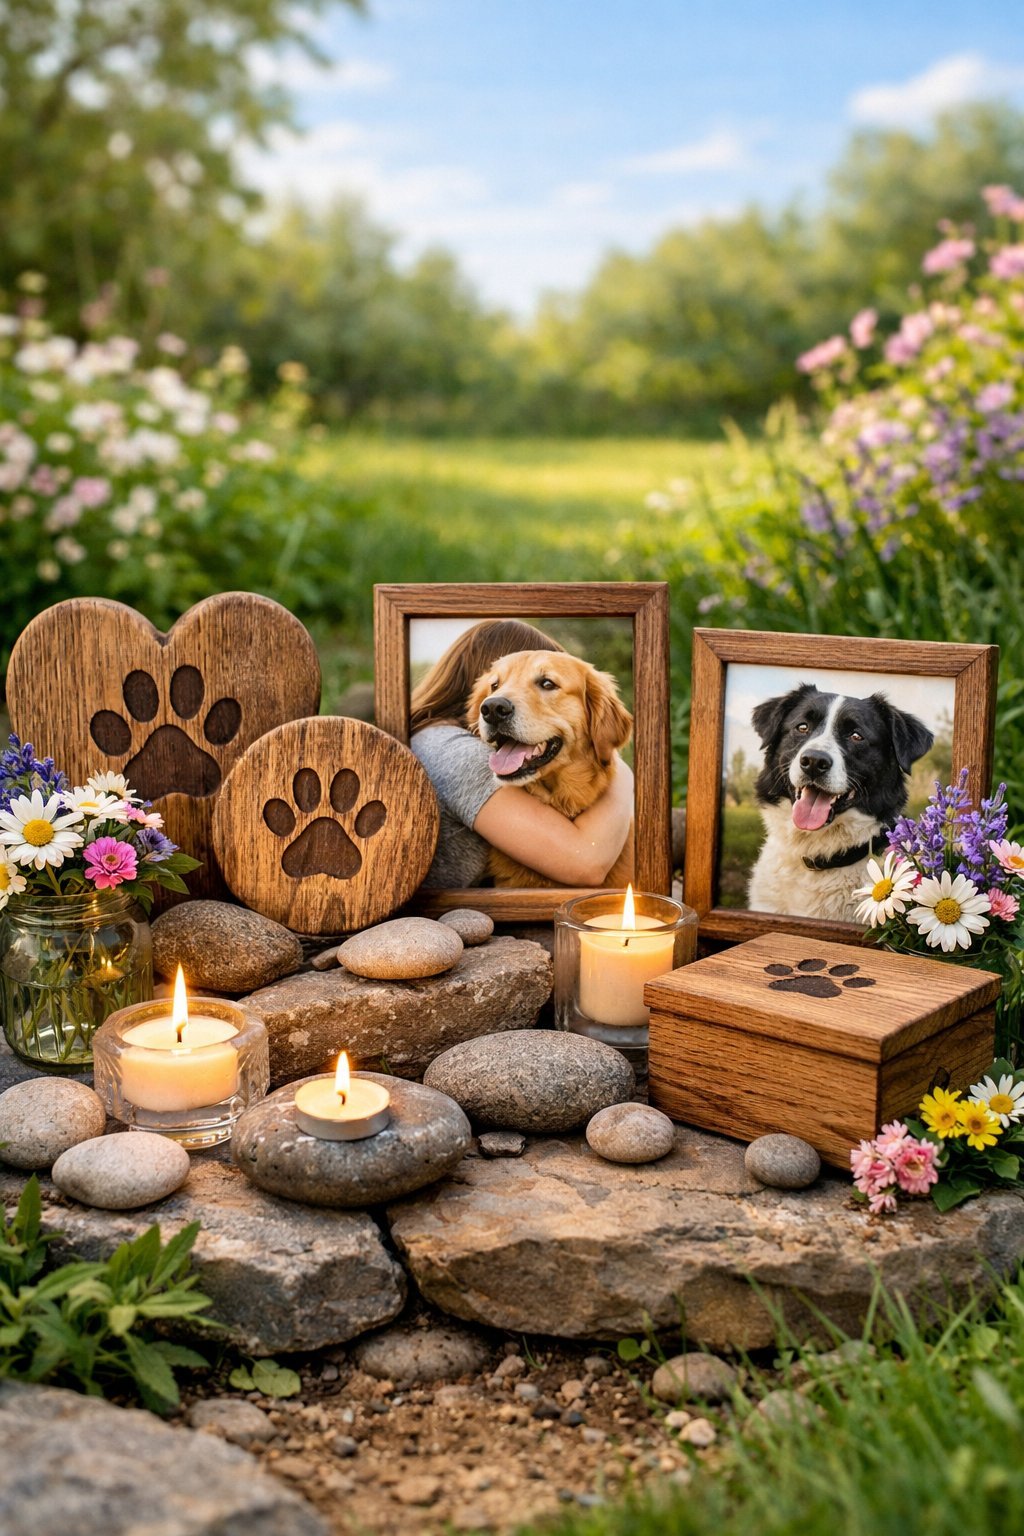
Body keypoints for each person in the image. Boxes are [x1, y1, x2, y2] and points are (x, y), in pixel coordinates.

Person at [410, 619, 634, 888]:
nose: (496, 704)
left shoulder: (437, 737)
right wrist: (623, 773)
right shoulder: (457, 752)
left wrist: (607, 749)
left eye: (547, 683)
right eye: (495, 686)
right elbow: (586, 863)